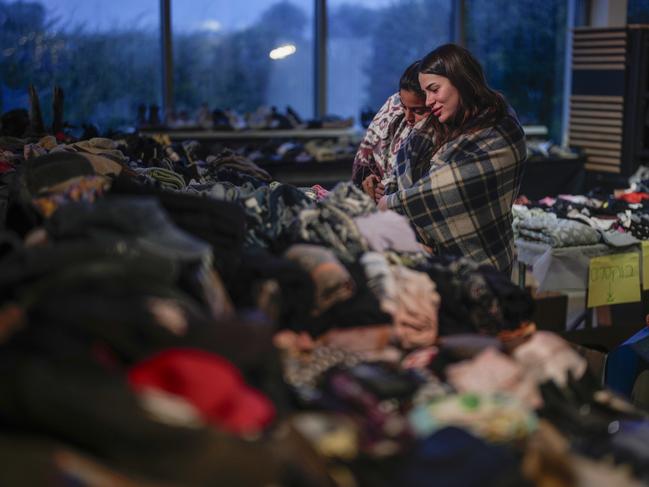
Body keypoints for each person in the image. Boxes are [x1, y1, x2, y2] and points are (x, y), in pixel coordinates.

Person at [377, 44, 527, 275]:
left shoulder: (500, 131)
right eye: (426, 92)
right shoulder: (435, 127)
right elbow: (403, 168)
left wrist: (391, 203)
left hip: (483, 264)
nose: (428, 101)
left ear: (461, 80)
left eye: (434, 89)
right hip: (429, 264)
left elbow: (445, 188)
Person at [352, 61, 430, 201]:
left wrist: (391, 192)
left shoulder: (439, 129)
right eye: (404, 107)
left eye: (418, 111)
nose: (408, 117)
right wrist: (371, 183)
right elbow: (366, 165)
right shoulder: (393, 109)